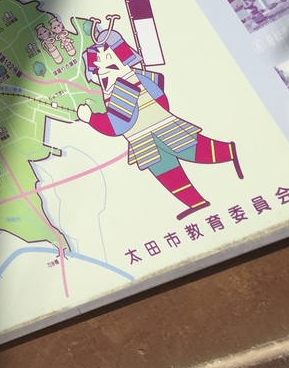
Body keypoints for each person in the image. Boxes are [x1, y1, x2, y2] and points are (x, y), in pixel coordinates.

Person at [77, 17, 241, 219]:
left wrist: (90, 118)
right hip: (152, 133)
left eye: (105, 62)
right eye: (96, 67)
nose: (100, 71)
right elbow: (161, 97)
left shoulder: (122, 86)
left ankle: (228, 154)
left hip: (154, 132)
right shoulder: (136, 76)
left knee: (190, 153)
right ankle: (199, 196)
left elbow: (116, 126)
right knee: (169, 169)